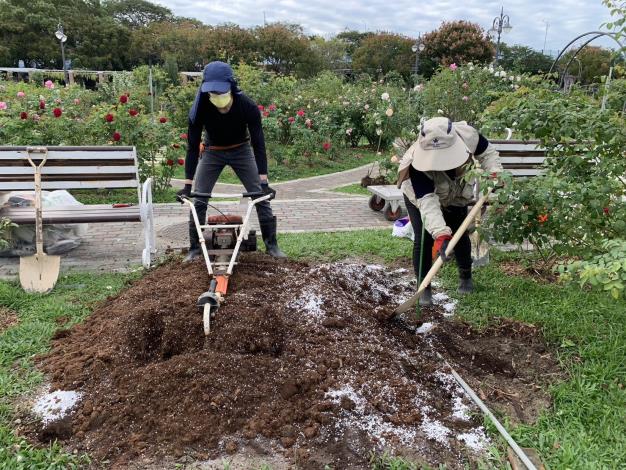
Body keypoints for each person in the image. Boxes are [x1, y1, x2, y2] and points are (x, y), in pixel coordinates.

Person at [177, 61, 286, 261]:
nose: (217, 97)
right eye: (213, 93)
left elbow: (258, 143)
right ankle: (194, 249)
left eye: (222, 92)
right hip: (212, 151)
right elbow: (192, 147)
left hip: (241, 150)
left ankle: (272, 246)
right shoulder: (199, 109)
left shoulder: (248, 106)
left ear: (231, 87)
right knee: (198, 198)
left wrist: (263, 181)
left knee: (260, 195)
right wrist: (187, 185)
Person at [397, 117, 503, 306]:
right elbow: (428, 203)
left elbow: (487, 153)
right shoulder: (416, 165)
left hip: (455, 193)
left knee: (460, 234)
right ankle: (424, 287)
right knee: (424, 239)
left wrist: (494, 172)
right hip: (420, 198)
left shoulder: (469, 135)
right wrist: (441, 235)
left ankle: (465, 277)